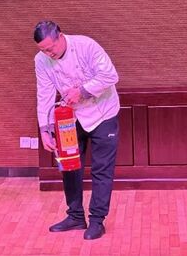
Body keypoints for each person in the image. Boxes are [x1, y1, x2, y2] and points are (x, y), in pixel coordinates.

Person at [33, 20, 120, 240]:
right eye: (43, 50)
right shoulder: (41, 60)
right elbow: (44, 94)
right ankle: (75, 216)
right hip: (71, 117)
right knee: (69, 165)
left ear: (61, 36)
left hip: (103, 113)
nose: (49, 53)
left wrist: (82, 91)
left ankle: (97, 220)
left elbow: (110, 75)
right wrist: (45, 130)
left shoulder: (86, 46)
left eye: (51, 48)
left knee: (101, 169)